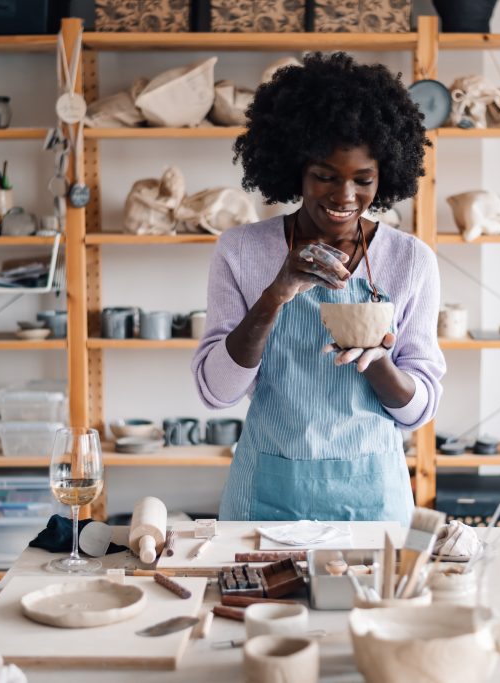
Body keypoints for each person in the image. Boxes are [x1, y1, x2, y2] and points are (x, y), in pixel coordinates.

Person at [191, 52, 445, 525]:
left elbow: (420, 410)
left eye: (363, 180)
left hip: (373, 498)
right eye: (325, 176)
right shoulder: (242, 251)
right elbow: (216, 392)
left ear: (385, 176)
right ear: (295, 170)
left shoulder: (411, 261)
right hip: (265, 496)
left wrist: (377, 360)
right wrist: (275, 295)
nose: (344, 196)